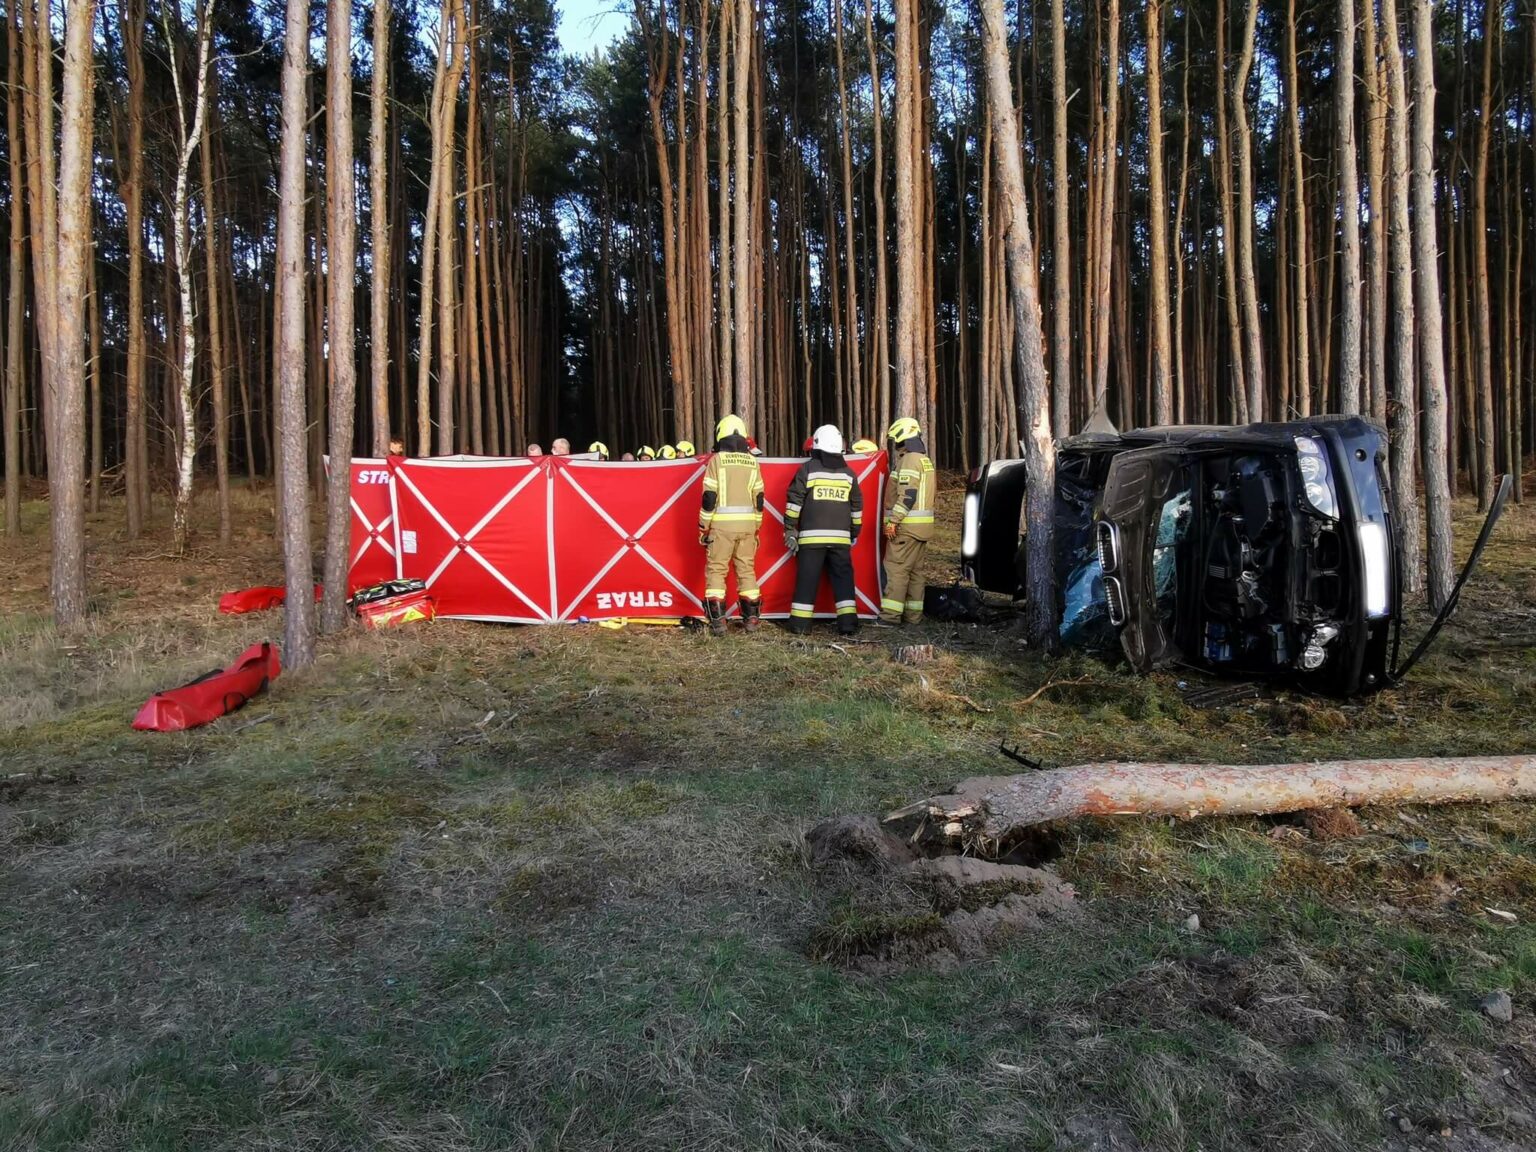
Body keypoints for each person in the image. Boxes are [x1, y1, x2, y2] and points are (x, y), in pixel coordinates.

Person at [784, 424, 862, 637]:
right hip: (841, 540)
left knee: (807, 579)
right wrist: (854, 532)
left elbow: (794, 501)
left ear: (817, 445)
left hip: (811, 539)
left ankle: (800, 624)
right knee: (844, 580)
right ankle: (848, 624)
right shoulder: (849, 474)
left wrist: (790, 528)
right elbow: (857, 506)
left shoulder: (808, 469)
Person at [699, 414, 764, 635]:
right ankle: (751, 620)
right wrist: (756, 528)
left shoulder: (716, 461)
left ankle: (718, 623)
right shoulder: (753, 461)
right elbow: (759, 499)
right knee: (746, 570)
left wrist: (703, 527)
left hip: (721, 527)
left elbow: (709, 497)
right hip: (748, 526)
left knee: (717, 570)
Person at [880, 416, 936, 625]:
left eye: (897, 439)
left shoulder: (910, 460)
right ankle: (913, 617)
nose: (896, 444)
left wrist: (893, 521)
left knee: (896, 569)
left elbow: (908, 494)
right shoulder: (923, 459)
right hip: (921, 529)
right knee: (915, 573)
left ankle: (890, 617)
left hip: (906, 527)